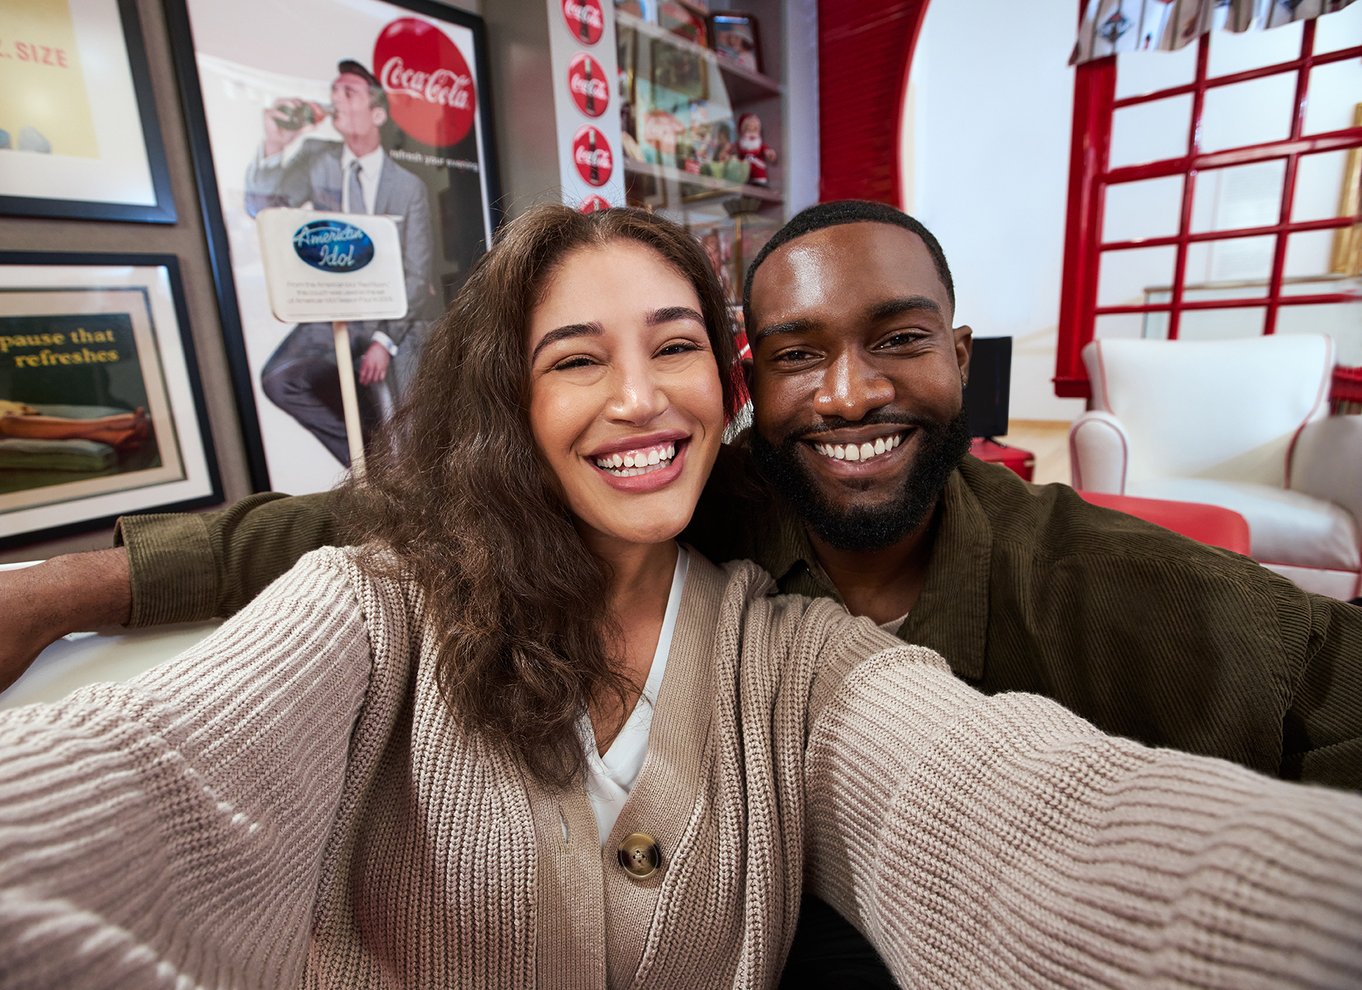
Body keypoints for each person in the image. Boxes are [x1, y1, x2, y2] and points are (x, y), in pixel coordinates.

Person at [2, 203, 1362, 989]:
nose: (844, 395)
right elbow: (150, 776)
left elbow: (1034, 826)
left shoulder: (807, 653)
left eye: (670, 347)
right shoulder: (375, 606)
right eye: (576, 359)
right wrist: (62, 585)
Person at [246, 59, 440, 465]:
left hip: (394, 318)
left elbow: (419, 275)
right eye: (334, 92)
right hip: (334, 312)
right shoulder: (317, 158)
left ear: (377, 114)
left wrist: (383, 342)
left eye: (348, 93)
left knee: (411, 423)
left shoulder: (408, 187)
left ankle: (405, 468)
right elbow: (262, 209)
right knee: (280, 380)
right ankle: (371, 467)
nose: (336, 99)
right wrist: (276, 147)